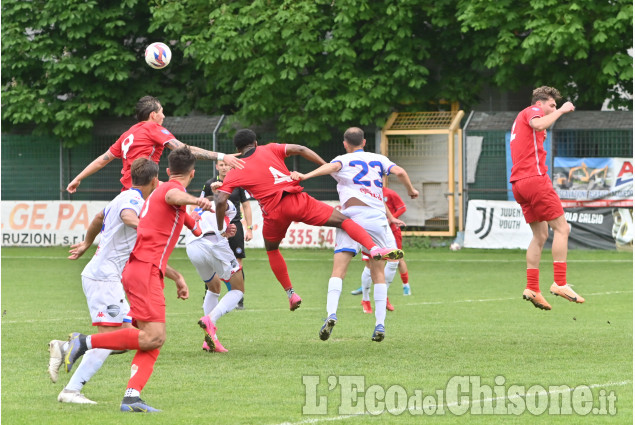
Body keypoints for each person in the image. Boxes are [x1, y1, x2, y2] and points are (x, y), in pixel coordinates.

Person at [64, 147, 211, 412]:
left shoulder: (162, 194)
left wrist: (206, 226)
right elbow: (176, 195)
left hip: (143, 270)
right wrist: (195, 199)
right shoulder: (169, 190)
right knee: (152, 336)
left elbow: (193, 224)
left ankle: (132, 397)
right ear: (192, 173)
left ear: (167, 170)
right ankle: (83, 343)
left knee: (153, 338)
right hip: (141, 272)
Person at [214, 129, 402, 312]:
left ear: (238, 150)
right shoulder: (269, 148)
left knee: (272, 250)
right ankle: (375, 248)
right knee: (344, 221)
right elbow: (301, 149)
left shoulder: (235, 168)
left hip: (273, 213)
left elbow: (221, 199)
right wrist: (325, 166)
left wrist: (221, 226)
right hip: (296, 200)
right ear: (256, 143)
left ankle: (291, 294)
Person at [291, 127, 419, 342]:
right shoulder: (379, 159)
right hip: (376, 219)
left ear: (344, 143)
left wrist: (305, 175)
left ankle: (331, 313)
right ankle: (380, 324)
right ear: (364, 142)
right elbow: (400, 173)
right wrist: (411, 190)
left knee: (338, 271)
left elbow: (329, 167)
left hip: (350, 219)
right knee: (378, 272)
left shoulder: (342, 160)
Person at [66, 95, 244, 193]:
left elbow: (101, 160)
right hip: (144, 190)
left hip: (128, 191)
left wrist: (77, 178)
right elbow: (184, 150)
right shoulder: (152, 128)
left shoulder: (128, 133)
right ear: (153, 115)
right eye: (162, 112)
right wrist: (222, 156)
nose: (164, 116)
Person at [510, 86, 585, 310]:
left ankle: (532, 287)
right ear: (540, 103)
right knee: (562, 229)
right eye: (551, 105)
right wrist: (561, 111)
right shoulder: (533, 111)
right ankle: (560, 283)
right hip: (534, 180)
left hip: (519, 184)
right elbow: (538, 123)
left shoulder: (520, 118)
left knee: (540, 235)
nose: (552, 109)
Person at [185, 198, 244, 353]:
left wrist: (225, 230)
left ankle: (210, 339)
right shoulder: (228, 201)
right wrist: (223, 231)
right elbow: (221, 203)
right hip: (213, 244)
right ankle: (210, 319)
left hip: (192, 246)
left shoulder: (200, 206)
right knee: (238, 289)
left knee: (214, 286)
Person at [201, 159, 254, 310]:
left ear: (231, 166)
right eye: (221, 165)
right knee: (212, 261)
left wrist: (249, 228)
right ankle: (209, 294)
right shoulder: (209, 184)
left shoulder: (239, 184)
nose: (224, 168)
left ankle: (238, 299)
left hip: (235, 226)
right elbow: (201, 203)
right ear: (217, 166)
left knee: (237, 263)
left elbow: (246, 206)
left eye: (226, 165)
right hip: (215, 228)